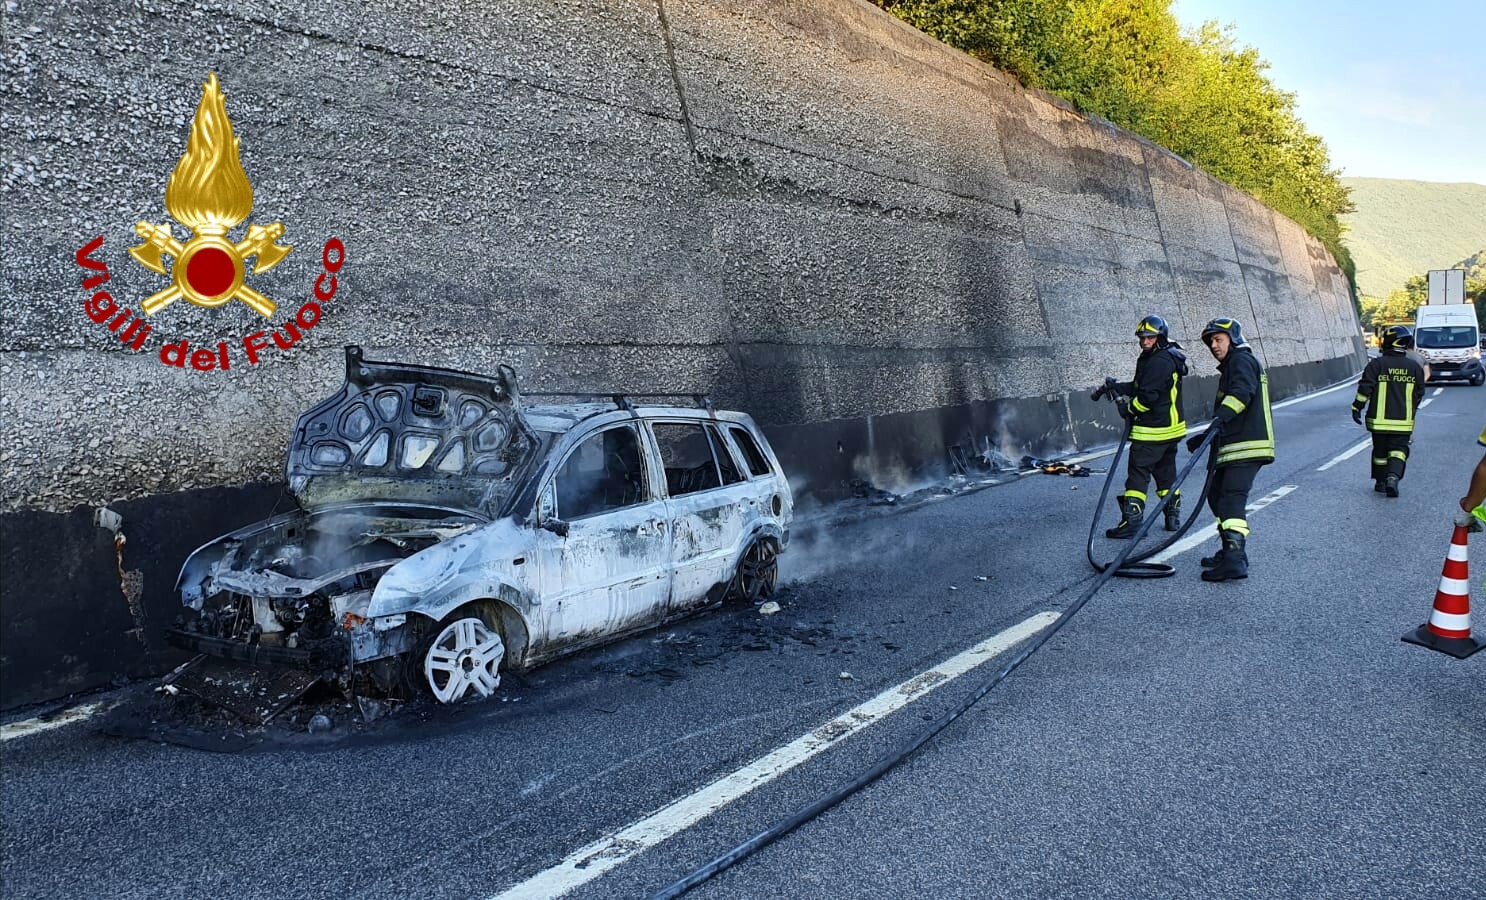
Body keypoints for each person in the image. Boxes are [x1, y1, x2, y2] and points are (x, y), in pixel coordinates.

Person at [1185, 317, 1274, 582]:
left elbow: (1241, 394)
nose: (1213, 345)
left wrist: (1217, 423)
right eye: (1210, 341)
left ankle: (1235, 560)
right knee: (1216, 495)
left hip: (1246, 445)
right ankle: (1230, 551)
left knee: (1232, 497)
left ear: (1233, 338)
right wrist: (1207, 436)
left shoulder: (1241, 361)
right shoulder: (1234, 364)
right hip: (1234, 444)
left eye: (1218, 339)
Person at [1098, 315, 1189, 538]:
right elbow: (1142, 386)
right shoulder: (1162, 356)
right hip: (1170, 430)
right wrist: (1120, 388)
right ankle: (1172, 517)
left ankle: (1132, 522)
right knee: (1166, 474)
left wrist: (1129, 410)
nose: (1144, 342)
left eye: (1149, 337)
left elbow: (1148, 397)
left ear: (1160, 336)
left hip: (1152, 430)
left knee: (1138, 474)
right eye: (1142, 338)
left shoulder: (1159, 361)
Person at [1351, 324, 1424, 497]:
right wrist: (1410, 410)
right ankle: (1393, 477)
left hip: (1378, 421)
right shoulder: (1414, 368)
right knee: (1399, 450)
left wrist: (1356, 408)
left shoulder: (1377, 365)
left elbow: (1365, 389)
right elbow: (1419, 394)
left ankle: (1381, 482)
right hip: (1403, 422)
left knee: (1380, 452)